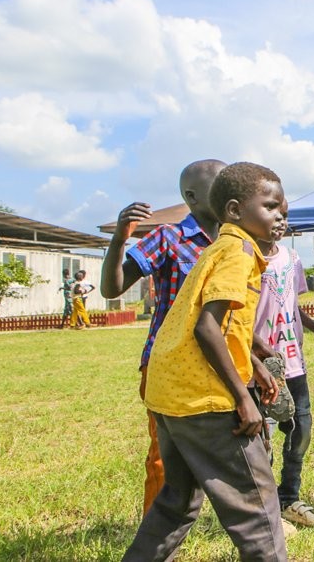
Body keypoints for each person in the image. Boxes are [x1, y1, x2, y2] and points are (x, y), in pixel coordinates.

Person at [122, 162, 287, 561]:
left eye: (283, 209)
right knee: (258, 511)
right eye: (269, 207)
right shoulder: (239, 252)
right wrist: (242, 397)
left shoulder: (220, 247)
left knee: (176, 503)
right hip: (206, 400)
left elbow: (224, 326)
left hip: (170, 393)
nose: (280, 217)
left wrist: (255, 362)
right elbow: (206, 328)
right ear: (233, 210)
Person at [101, 159, 226, 515]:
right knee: (165, 454)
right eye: (220, 185)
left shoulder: (236, 241)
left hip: (223, 360)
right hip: (170, 364)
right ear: (192, 195)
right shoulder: (169, 238)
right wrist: (119, 239)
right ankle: (154, 532)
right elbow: (112, 288)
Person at [254, 199, 314, 529]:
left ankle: (289, 497)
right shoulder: (245, 258)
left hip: (292, 360)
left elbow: (290, 303)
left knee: (301, 428)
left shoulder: (292, 257)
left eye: (285, 216)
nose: (280, 221)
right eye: (274, 214)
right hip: (257, 364)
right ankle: (264, 509)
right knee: (263, 434)